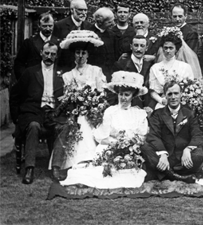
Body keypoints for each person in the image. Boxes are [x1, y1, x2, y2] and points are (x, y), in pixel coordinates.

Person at [60, 71, 149, 189]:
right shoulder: (110, 111)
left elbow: (142, 136)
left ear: (133, 96)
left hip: (132, 149)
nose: (123, 98)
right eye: (121, 94)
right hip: (110, 146)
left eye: (127, 95)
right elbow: (102, 137)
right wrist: (116, 143)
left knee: (128, 172)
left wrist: (129, 144)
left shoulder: (139, 114)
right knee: (102, 170)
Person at [50, 30, 106, 180]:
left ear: (88, 55)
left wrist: (93, 104)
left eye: (83, 53)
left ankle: (91, 159)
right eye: (77, 53)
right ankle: (66, 163)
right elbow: (66, 98)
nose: (80, 56)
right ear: (74, 55)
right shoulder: (68, 75)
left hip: (94, 110)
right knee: (75, 123)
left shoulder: (96, 71)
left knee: (89, 123)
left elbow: (102, 93)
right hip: (74, 111)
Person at [10, 42, 64, 184]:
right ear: (41, 53)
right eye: (46, 53)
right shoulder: (30, 72)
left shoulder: (61, 74)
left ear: (56, 56)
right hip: (33, 111)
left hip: (53, 112)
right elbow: (15, 94)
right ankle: (29, 169)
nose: (49, 56)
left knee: (61, 127)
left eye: (52, 54)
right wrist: (16, 118)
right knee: (33, 126)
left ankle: (56, 167)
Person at [141, 80, 203, 183]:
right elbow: (153, 136)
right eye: (169, 94)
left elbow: (197, 135)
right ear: (165, 96)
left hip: (183, 158)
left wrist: (188, 149)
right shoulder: (157, 114)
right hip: (165, 157)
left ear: (181, 94)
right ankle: (178, 176)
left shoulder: (188, 113)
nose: (173, 97)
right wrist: (163, 154)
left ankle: (166, 174)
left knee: (199, 154)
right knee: (145, 147)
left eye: (176, 93)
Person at [149, 32, 194, 109]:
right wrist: (161, 100)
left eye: (171, 48)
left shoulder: (186, 67)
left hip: (182, 103)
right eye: (165, 48)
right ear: (162, 48)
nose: (168, 51)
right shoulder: (155, 68)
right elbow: (152, 91)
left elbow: (191, 88)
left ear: (176, 49)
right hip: (163, 104)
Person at [14, 12, 60, 79]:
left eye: (50, 26)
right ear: (39, 25)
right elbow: (19, 64)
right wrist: (25, 79)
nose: (47, 29)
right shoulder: (29, 43)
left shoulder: (59, 43)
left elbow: (63, 64)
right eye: (44, 26)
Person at [113, 34, 154, 110]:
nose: (138, 49)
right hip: (127, 107)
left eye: (142, 46)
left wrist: (149, 106)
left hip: (146, 108)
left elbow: (151, 89)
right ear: (131, 46)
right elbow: (116, 91)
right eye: (136, 45)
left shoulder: (149, 66)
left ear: (146, 48)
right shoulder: (121, 65)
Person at [53, 0, 91, 72]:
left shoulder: (89, 26)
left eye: (85, 10)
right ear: (72, 10)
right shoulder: (60, 26)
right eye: (80, 10)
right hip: (66, 67)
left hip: (85, 68)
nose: (83, 13)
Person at [88, 7, 116, 81]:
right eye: (109, 22)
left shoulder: (112, 35)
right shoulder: (88, 33)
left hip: (108, 74)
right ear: (100, 22)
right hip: (93, 74)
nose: (113, 24)